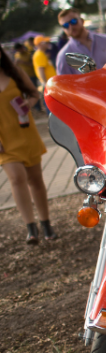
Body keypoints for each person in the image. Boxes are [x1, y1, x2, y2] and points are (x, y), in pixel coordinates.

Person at [0, 46, 57, 244]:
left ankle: (46, 224)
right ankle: (30, 227)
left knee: (35, 180)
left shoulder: (15, 73)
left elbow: (34, 93)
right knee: (16, 178)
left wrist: (28, 104)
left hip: (25, 133)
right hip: (4, 141)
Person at [55, 9, 106, 75]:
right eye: (65, 25)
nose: (70, 27)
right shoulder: (64, 57)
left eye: (73, 21)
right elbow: (64, 86)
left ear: (82, 21)